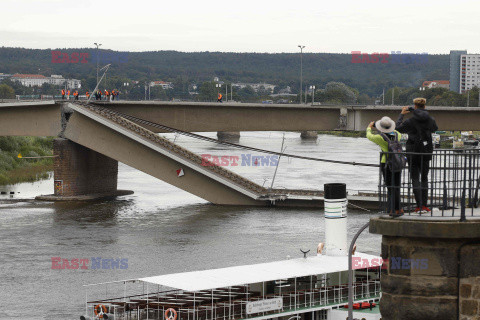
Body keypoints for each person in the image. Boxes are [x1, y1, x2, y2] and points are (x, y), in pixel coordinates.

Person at [396, 98, 438, 213]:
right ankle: (425, 205)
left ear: (414, 106)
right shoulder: (430, 119)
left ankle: (419, 206)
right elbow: (435, 128)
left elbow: (397, 128)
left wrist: (401, 114)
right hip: (426, 151)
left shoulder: (410, 121)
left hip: (412, 152)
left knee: (415, 178)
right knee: (424, 178)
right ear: (424, 106)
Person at [367, 117, 403, 216]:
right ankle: (395, 208)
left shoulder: (380, 138)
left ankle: (396, 209)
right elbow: (393, 130)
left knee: (390, 187)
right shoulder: (398, 135)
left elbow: (369, 136)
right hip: (397, 162)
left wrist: (370, 127)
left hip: (386, 163)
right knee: (396, 186)